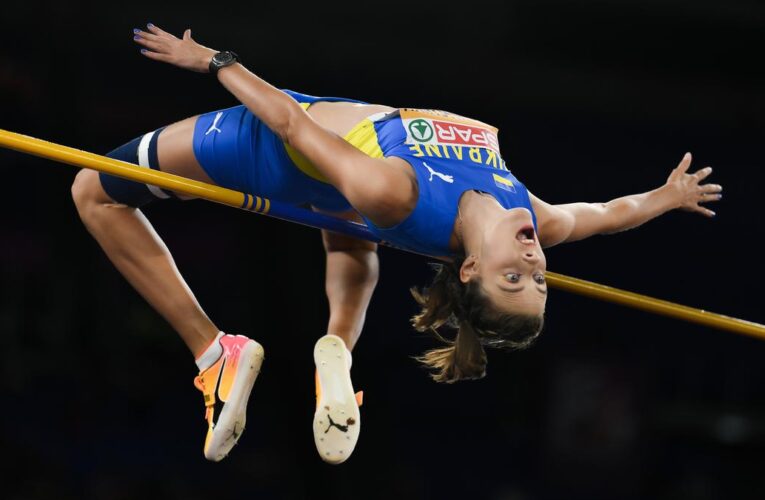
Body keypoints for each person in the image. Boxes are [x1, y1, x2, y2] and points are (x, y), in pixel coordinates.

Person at [69, 23, 723, 464]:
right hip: (338, 183)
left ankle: (215, 351)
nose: (531, 265)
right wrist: (665, 197)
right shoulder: (536, 218)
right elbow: (603, 214)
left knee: (93, 191)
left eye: (512, 281)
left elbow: (289, 124)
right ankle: (337, 348)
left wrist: (212, 61)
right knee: (347, 230)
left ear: (469, 269)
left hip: (269, 145)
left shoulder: (396, 193)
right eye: (539, 280)